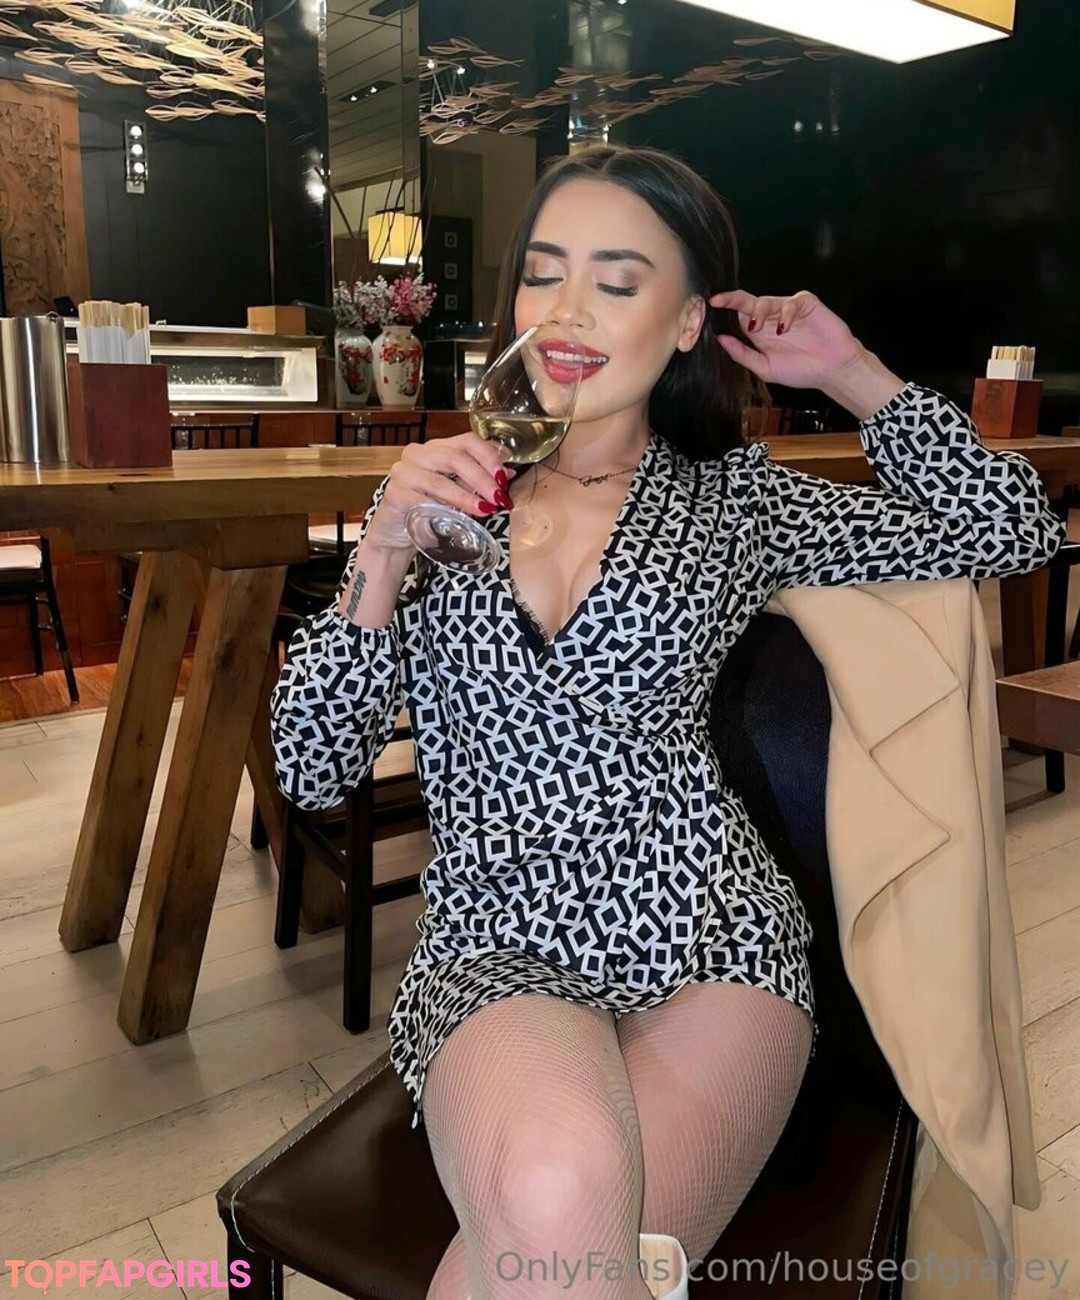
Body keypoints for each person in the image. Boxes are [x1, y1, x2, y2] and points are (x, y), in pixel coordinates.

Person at [271, 146, 1063, 1300]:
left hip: (714, 938)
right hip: (499, 941)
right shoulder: (439, 497)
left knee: (552, 1255)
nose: (568, 311)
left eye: (617, 280)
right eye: (543, 274)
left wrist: (848, 370)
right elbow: (309, 765)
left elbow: (1011, 523)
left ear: (689, 321)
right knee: (557, 1190)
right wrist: (378, 560)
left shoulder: (734, 500)